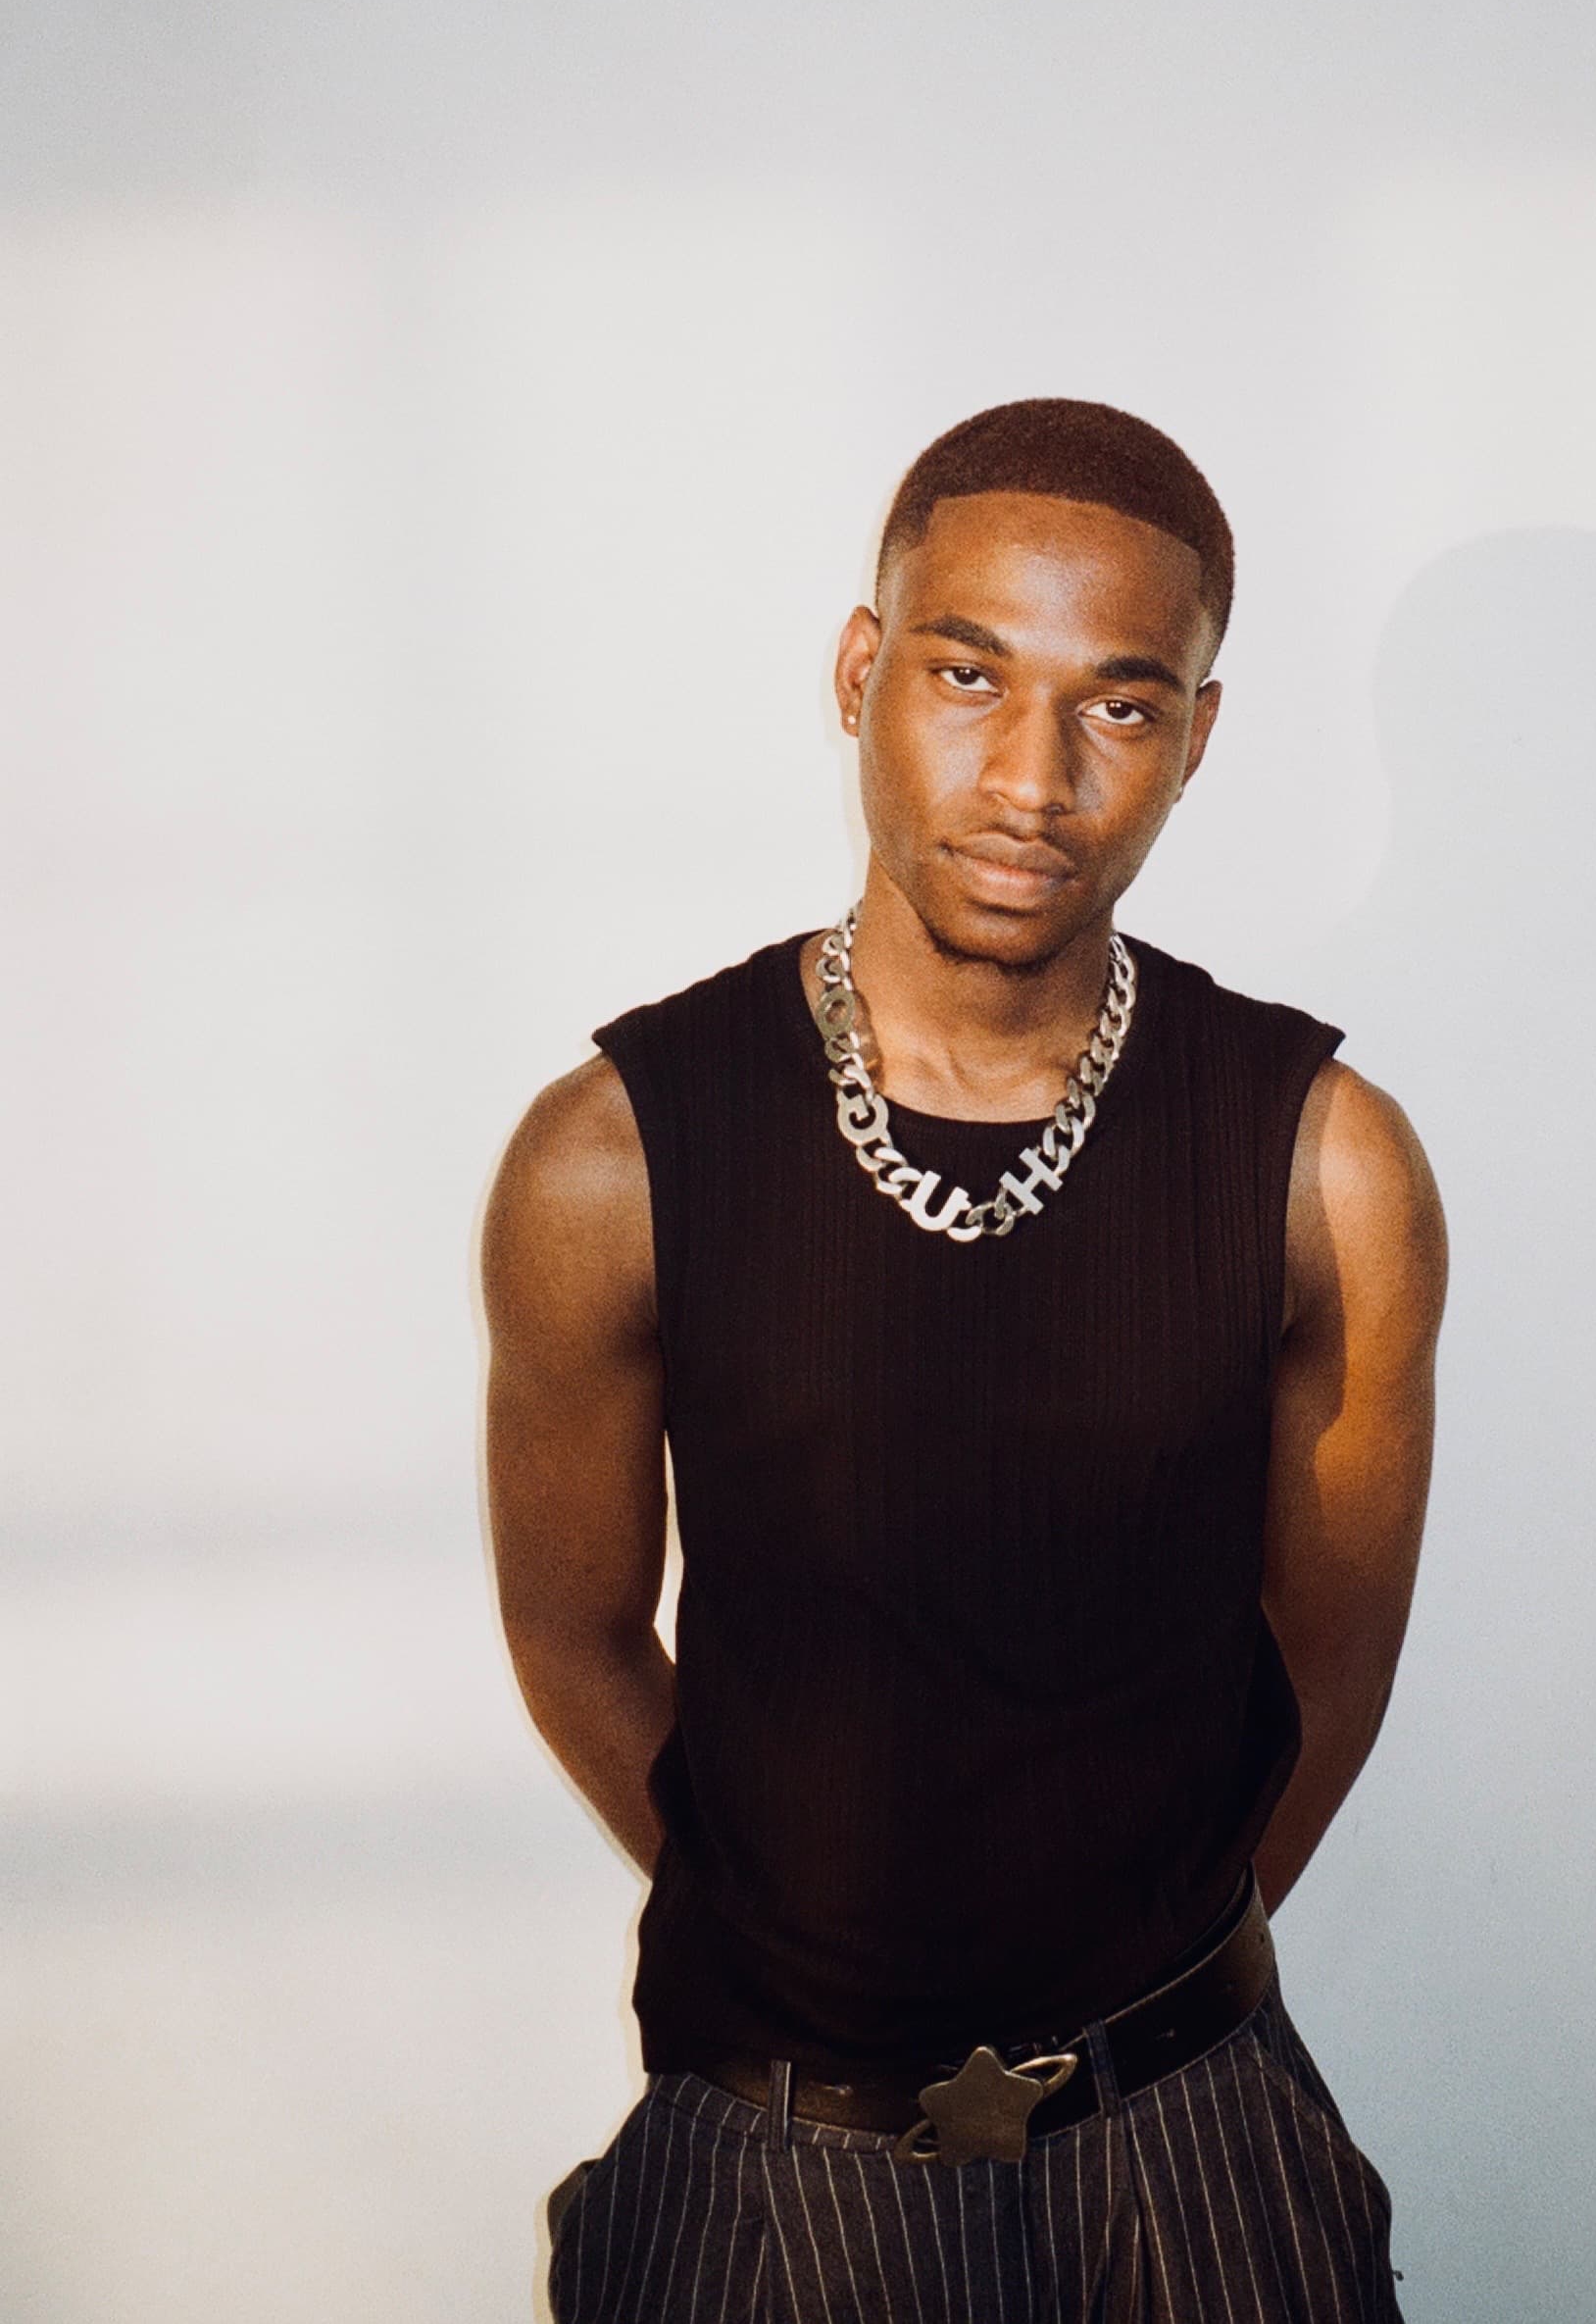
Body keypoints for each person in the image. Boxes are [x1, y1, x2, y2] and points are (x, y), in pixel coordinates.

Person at [480, 397, 1448, 2324]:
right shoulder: (614, 1152)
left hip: (1202, 2140)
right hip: (771, 2145)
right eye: (967, 670)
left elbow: (1329, 1652)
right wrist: (810, 1924)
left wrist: (1138, 1967)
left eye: (1120, 701)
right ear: (863, 671)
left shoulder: (1324, 1161)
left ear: (1195, 737)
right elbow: (577, 1629)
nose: (1032, 775)